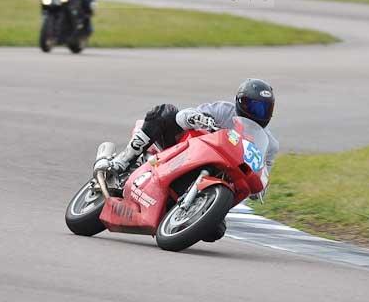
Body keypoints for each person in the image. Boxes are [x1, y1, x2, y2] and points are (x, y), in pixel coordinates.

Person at [95, 78, 279, 241]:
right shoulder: (224, 110)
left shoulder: (270, 145)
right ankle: (123, 161)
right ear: (240, 103)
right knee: (166, 112)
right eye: (253, 106)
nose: (258, 113)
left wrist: (261, 187)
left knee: (215, 231)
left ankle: (182, 207)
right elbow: (183, 116)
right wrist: (197, 117)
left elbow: (264, 170)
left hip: (224, 175)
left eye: (264, 109)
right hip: (186, 151)